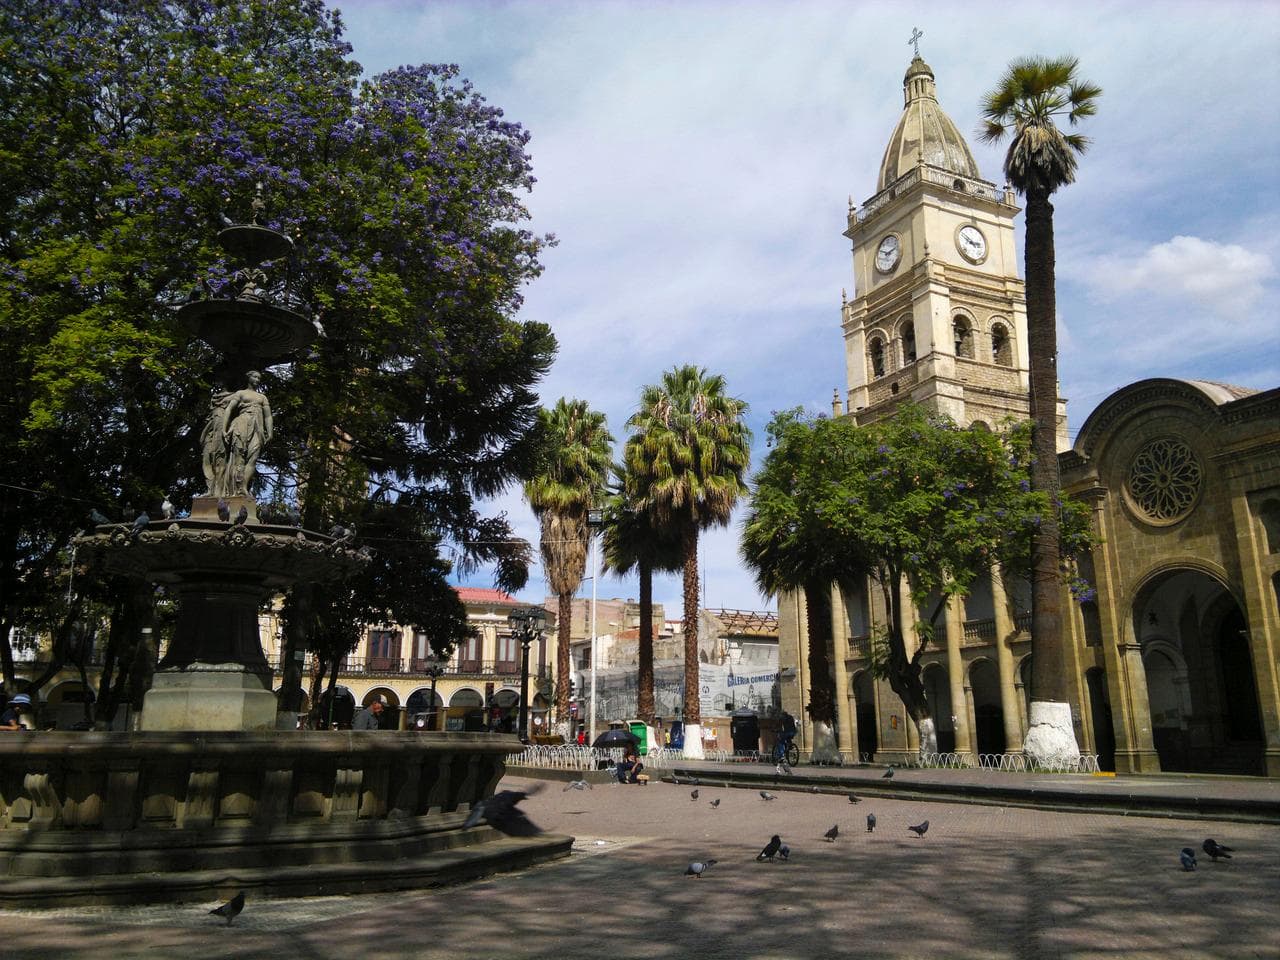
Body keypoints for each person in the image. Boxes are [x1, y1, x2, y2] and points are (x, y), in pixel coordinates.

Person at [221, 370, 273, 496]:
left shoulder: (262, 397)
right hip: (242, 424)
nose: (257, 380)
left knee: (253, 458)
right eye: (255, 377)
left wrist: (270, 432)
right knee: (239, 457)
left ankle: (243, 487)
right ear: (249, 378)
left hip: (257, 428)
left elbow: (268, 416)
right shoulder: (241, 393)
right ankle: (235, 489)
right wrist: (224, 428)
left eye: (259, 378)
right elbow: (229, 409)